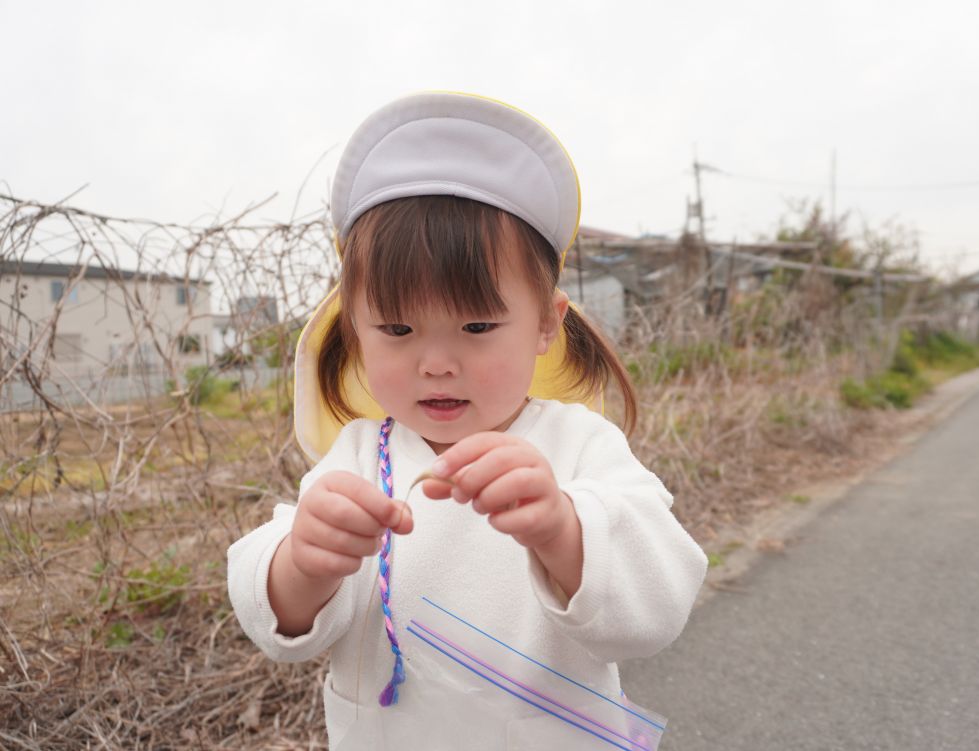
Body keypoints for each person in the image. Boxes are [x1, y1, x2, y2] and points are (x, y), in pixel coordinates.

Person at [227, 91, 708, 749]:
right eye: (397, 329)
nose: (436, 364)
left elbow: (658, 602)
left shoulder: (576, 446)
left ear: (546, 324)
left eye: (477, 326)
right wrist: (301, 565)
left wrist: (565, 530)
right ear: (356, 331)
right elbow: (273, 618)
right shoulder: (361, 455)